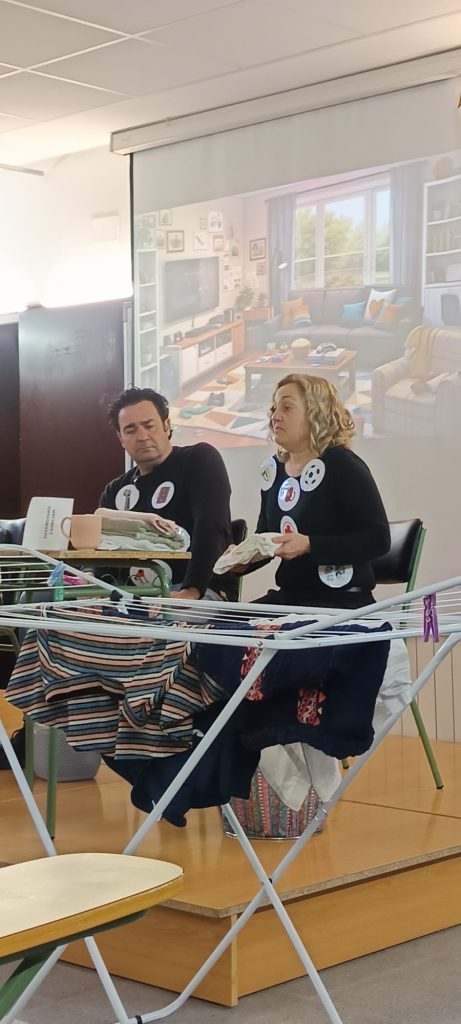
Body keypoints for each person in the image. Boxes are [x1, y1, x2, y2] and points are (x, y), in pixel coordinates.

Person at [232, 373, 390, 609]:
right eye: (274, 408)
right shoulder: (274, 470)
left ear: (316, 414)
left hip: (341, 602)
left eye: (287, 408)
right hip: (290, 599)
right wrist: (243, 560)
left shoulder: (342, 464)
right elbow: (268, 537)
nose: (275, 416)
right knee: (219, 631)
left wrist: (309, 545)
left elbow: (378, 539)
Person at [97, 386, 232, 600]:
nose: (142, 436)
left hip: (197, 590)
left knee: (163, 616)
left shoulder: (198, 459)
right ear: (121, 438)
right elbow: (101, 548)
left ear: (167, 426)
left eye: (149, 426)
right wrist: (89, 578)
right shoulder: (115, 490)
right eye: (130, 430)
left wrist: (192, 590)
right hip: (131, 596)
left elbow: (211, 526)